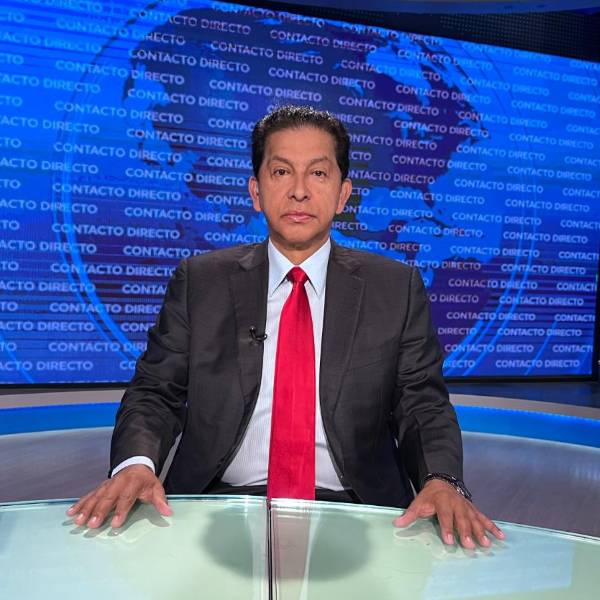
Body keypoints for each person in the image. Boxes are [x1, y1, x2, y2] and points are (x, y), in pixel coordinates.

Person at [68, 106, 504, 549]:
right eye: (281, 172)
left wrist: (441, 479)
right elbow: (155, 391)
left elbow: (421, 404)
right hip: (217, 502)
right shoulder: (200, 281)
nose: (298, 191)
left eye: (318, 173)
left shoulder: (395, 288)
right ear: (256, 191)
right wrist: (136, 464)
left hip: (356, 508)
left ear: (343, 194)